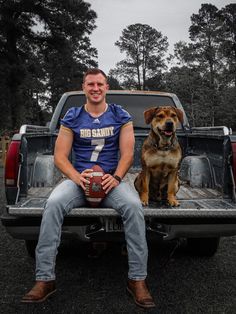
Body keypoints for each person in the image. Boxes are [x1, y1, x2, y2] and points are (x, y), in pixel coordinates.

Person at [21, 68, 155, 309]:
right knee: (52, 204)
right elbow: (60, 156)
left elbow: (127, 155)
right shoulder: (72, 116)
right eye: (91, 84)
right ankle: (44, 279)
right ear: (84, 87)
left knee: (134, 207)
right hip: (79, 180)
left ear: (106, 87)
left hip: (110, 181)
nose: (95, 88)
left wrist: (115, 178)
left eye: (100, 84)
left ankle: (137, 279)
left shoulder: (119, 115)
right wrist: (76, 177)